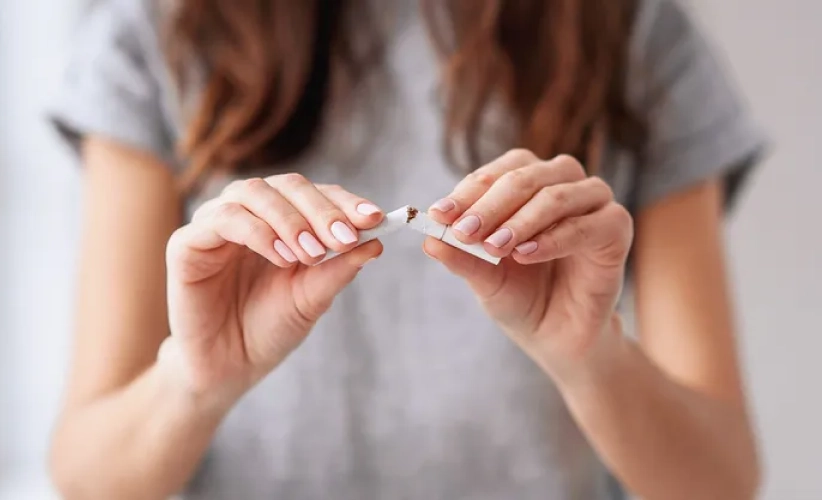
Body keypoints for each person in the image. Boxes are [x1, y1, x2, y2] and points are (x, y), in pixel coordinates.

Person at [46, 0, 768, 498]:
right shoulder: (159, 29)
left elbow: (723, 479)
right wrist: (195, 385)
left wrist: (590, 359)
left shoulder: (632, 30)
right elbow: (86, 474)